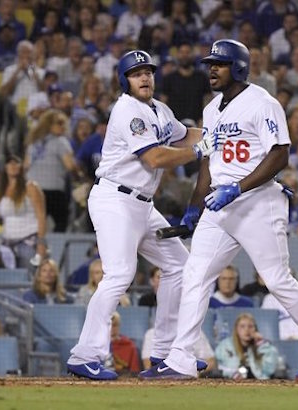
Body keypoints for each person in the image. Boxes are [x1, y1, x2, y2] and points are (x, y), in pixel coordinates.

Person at [140, 40, 298, 381]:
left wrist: (239, 187)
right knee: (195, 275)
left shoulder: (263, 102)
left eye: (220, 63)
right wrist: (193, 209)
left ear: (240, 67)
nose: (212, 69)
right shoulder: (213, 109)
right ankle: (181, 357)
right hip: (220, 204)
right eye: (210, 64)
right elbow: (208, 161)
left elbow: (280, 154)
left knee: (276, 280)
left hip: (258, 201)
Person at [66, 49, 222, 380]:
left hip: (142, 204)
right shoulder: (127, 111)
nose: (145, 77)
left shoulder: (160, 110)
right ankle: (85, 354)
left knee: (179, 265)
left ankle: (165, 352)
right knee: (119, 275)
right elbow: (154, 158)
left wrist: (215, 136)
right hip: (115, 199)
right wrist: (198, 152)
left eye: (148, 71)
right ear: (125, 80)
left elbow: (186, 135)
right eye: (137, 73)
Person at [0, 154, 47, 268]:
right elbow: (1, 220)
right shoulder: (2, 190)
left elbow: (41, 217)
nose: (13, 166)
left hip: (28, 243)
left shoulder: (31, 187)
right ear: (5, 167)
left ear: (22, 166)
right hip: (7, 243)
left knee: (30, 277)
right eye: (10, 163)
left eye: (16, 162)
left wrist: (41, 244)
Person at [214, 313, 280, 380]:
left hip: (259, 383)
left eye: (250, 326)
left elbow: (270, 369)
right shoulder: (225, 346)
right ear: (236, 329)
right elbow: (220, 367)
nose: (247, 330)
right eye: (242, 326)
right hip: (233, 382)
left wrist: (261, 343)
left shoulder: (263, 346)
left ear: (255, 329)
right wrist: (234, 374)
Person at [109, 311, 140, 376]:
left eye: (114, 325)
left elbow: (134, 373)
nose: (111, 328)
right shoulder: (97, 346)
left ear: (119, 326)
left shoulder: (129, 346)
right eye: (109, 325)